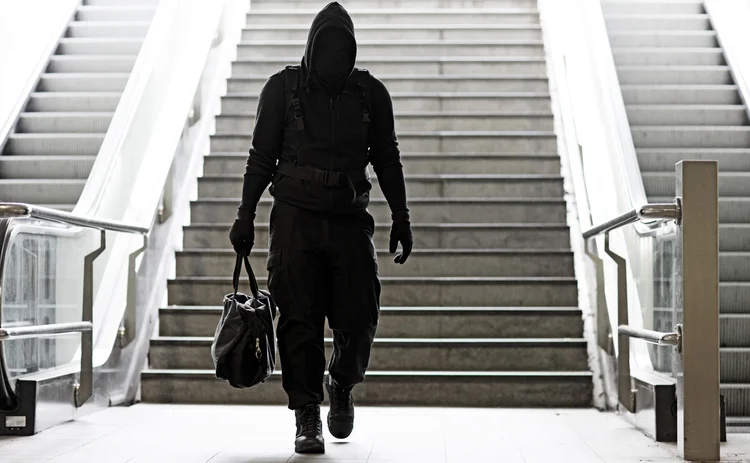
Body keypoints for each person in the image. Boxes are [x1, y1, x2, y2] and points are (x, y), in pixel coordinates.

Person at [228, 1, 413, 455]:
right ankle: (306, 411)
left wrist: (402, 217)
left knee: (361, 312)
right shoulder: (281, 89)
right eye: (326, 47)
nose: (334, 58)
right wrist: (245, 214)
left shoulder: (371, 95)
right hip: (294, 219)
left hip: (350, 221)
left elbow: (387, 160)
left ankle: (342, 382)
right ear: (312, 46)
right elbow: (260, 158)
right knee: (298, 321)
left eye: (341, 49)